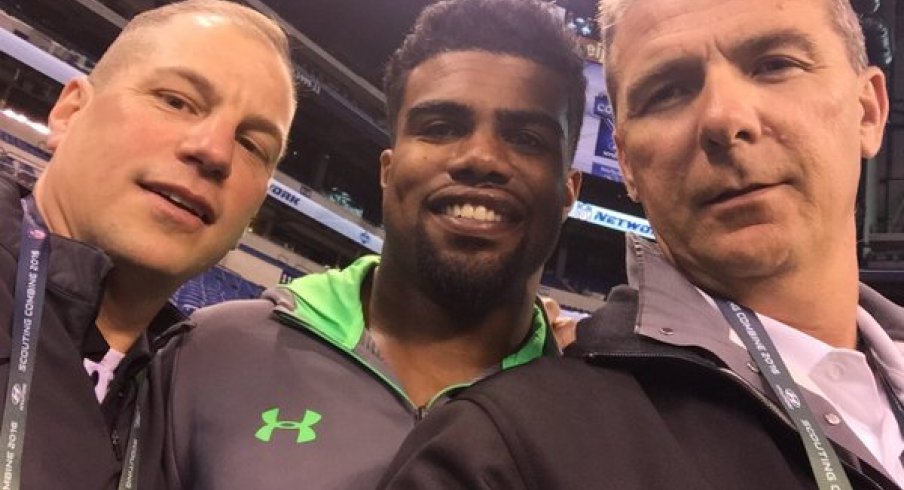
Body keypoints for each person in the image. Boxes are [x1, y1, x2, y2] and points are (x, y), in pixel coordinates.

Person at [378, 0, 904, 489]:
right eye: (668, 91)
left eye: (773, 64)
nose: (725, 118)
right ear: (627, 163)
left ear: (868, 111)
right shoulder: (502, 455)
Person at [158, 0, 584, 488]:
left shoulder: (598, 423)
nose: (481, 157)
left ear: (568, 191)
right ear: (387, 169)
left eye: (527, 138)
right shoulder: (211, 352)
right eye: (441, 128)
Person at [0, 1, 296, 488]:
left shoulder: (203, 412)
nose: (215, 151)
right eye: (176, 101)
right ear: (70, 112)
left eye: (252, 145)